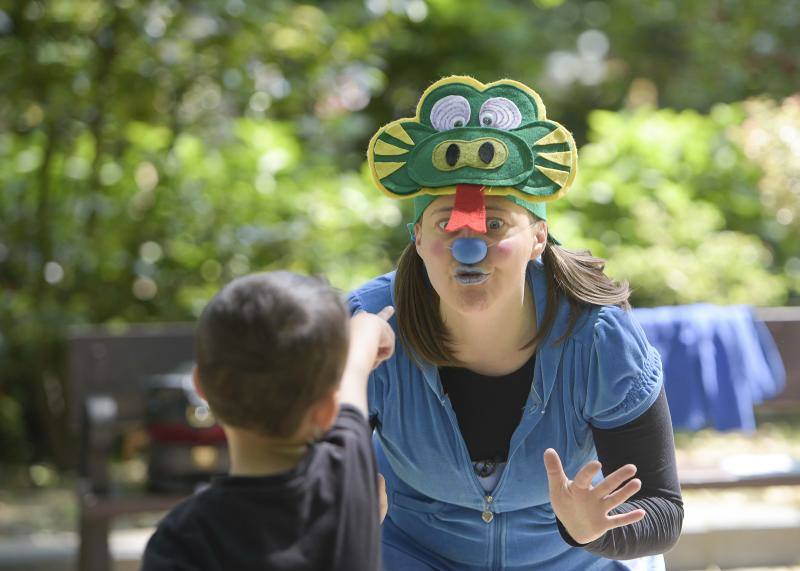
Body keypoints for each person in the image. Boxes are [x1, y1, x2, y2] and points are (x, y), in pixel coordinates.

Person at [348, 76, 683, 570]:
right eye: (446, 224)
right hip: (412, 554)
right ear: (417, 238)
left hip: (573, 559)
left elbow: (663, 510)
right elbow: (302, 471)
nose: (469, 247)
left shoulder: (598, 336)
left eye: (497, 223)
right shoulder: (371, 324)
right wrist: (342, 510)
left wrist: (592, 530)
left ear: (539, 238)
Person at [141, 271, 394, 571]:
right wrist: (372, 325)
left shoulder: (182, 538)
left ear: (201, 389)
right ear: (328, 409)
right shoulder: (347, 480)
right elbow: (354, 367)